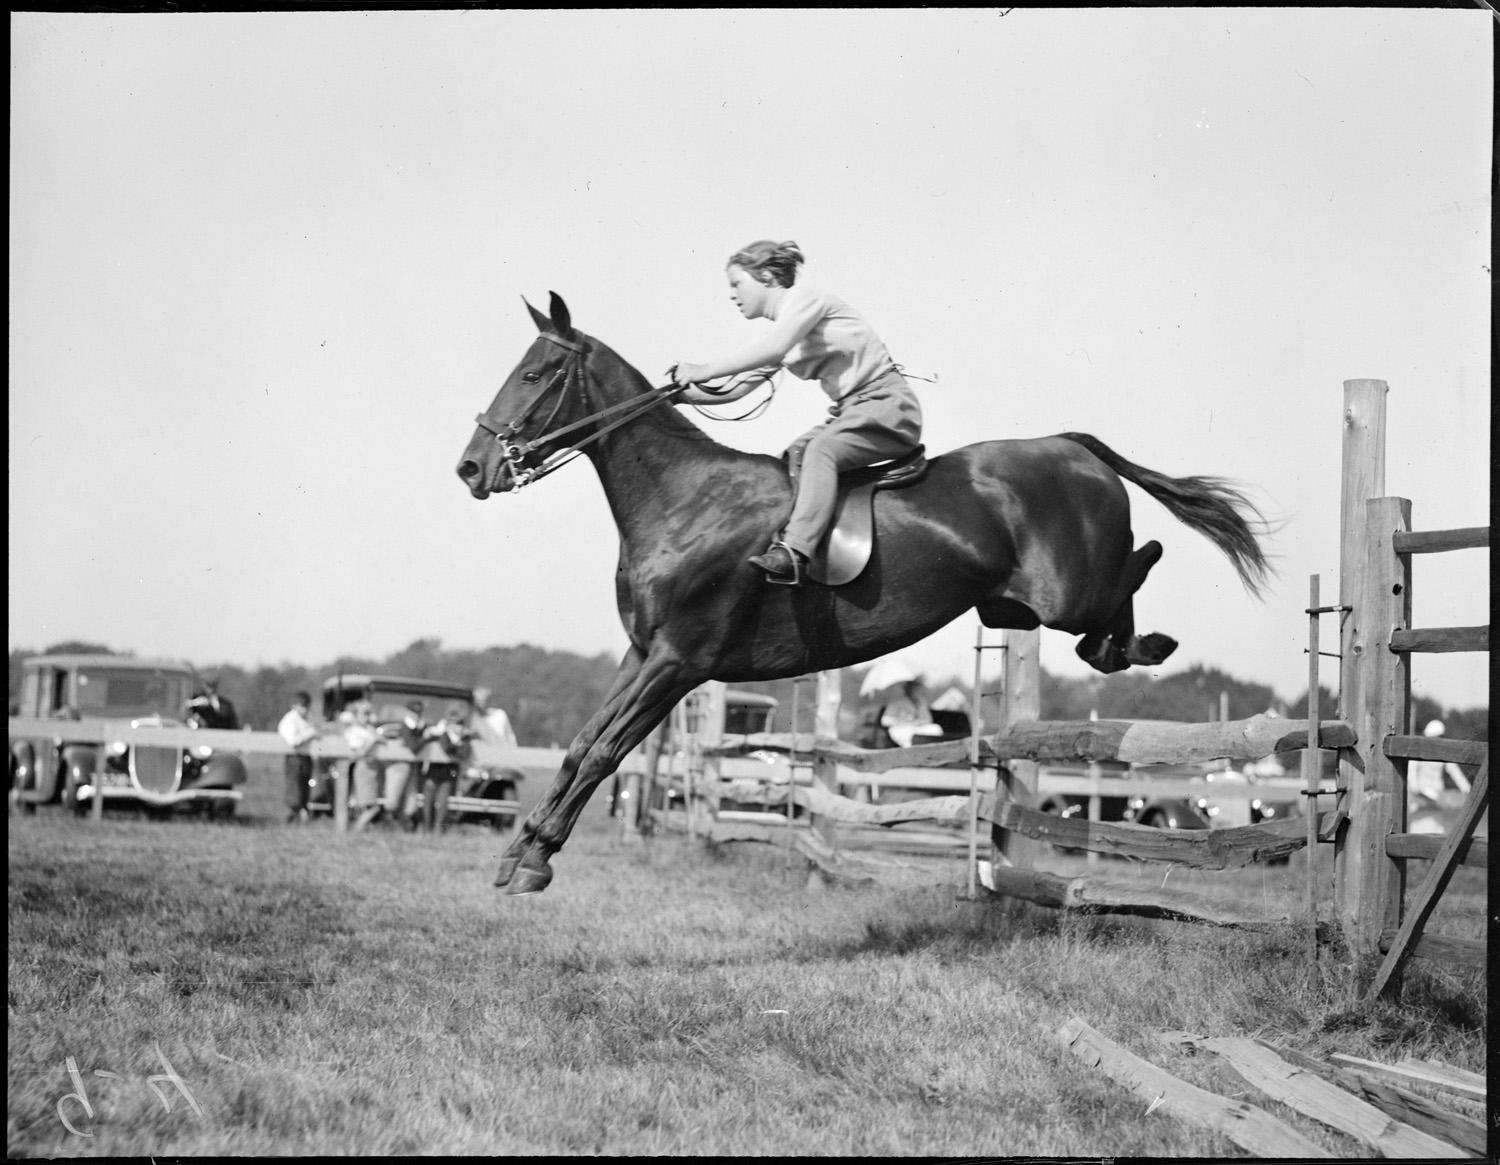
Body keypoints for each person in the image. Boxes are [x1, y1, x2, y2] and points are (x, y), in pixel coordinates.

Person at [670, 239, 923, 585]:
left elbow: (772, 348)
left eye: (736, 283)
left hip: (887, 405)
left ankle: (796, 551)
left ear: (766, 277)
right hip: (854, 411)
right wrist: (679, 396)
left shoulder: (804, 301)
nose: (731, 295)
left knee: (821, 451)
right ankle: (809, 544)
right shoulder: (785, 330)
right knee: (794, 456)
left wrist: (703, 369)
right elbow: (738, 390)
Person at [416, 703, 476, 834]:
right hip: (433, 771)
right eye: (454, 723)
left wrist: (457, 747)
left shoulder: (465, 739)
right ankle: (426, 828)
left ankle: (439, 829)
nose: (457, 727)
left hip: (449, 774)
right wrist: (456, 746)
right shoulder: (441, 734)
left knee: (443, 804)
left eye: (460, 724)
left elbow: (463, 754)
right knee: (428, 801)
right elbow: (447, 748)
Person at [383, 699, 428, 830]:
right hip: (400, 766)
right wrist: (425, 737)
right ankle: (390, 825)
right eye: (413, 712)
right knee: (394, 797)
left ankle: (403, 826)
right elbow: (413, 746)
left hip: (412, 766)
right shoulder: (405, 727)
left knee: (410, 800)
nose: (416, 715)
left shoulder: (417, 726)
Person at [340, 700, 384, 830]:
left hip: (372, 768)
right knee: (371, 806)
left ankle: (359, 829)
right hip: (362, 767)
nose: (366, 716)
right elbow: (359, 752)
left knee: (368, 804)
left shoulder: (369, 729)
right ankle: (356, 829)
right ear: (356, 715)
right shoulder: (353, 731)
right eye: (363, 713)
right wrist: (373, 741)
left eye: (367, 713)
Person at [276, 691, 318, 824]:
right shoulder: (289, 720)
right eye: (302, 705)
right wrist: (310, 733)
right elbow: (292, 741)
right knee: (294, 791)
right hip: (294, 758)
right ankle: (292, 818)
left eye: (307, 706)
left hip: (305, 758)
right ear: (294, 705)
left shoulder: (307, 719)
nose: (305, 709)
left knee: (304, 789)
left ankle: (301, 818)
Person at [880, 680, 943, 749]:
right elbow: (885, 721)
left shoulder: (921, 702)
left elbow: (928, 719)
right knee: (909, 736)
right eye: (916, 689)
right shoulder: (897, 701)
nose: (919, 692)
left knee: (935, 728)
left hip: (917, 727)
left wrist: (918, 720)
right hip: (901, 728)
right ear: (909, 690)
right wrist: (902, 721)